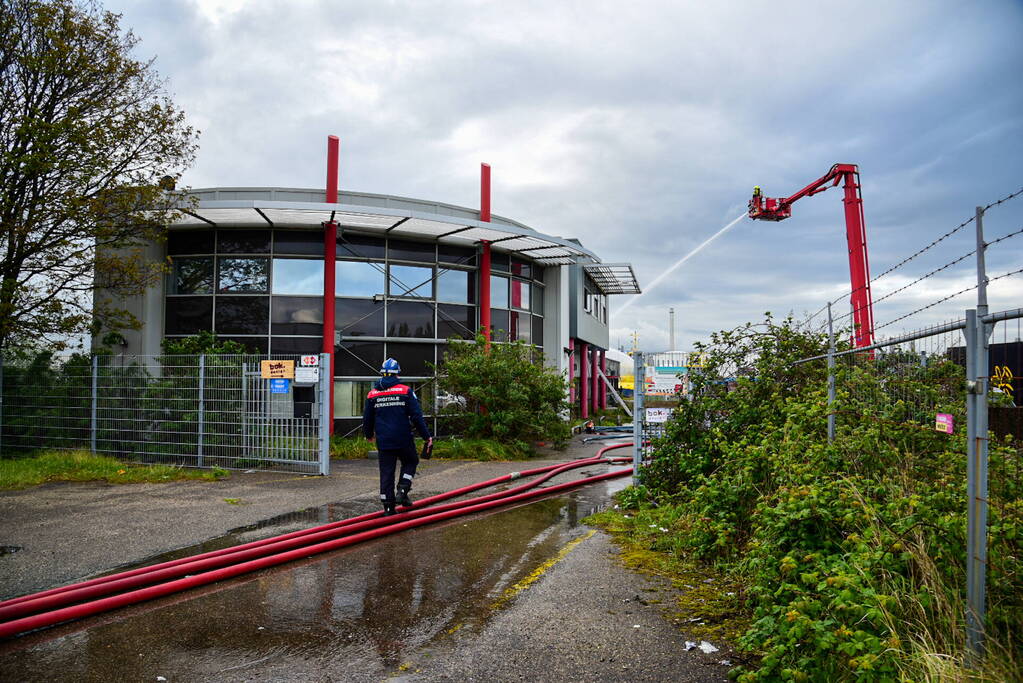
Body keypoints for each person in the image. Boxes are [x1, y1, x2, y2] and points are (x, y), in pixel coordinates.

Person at [362, 358, 432, 515]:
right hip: (403, 438)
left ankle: (388, 506)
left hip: (384, 441)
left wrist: (368, 434)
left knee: (386, 472)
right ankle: (403, 488)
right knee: (411, 461)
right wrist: (427, 436)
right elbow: (416, 417)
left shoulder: (373, 394)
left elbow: (367, 418)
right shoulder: (405, 391)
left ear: (382, 373)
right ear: (397, 374)